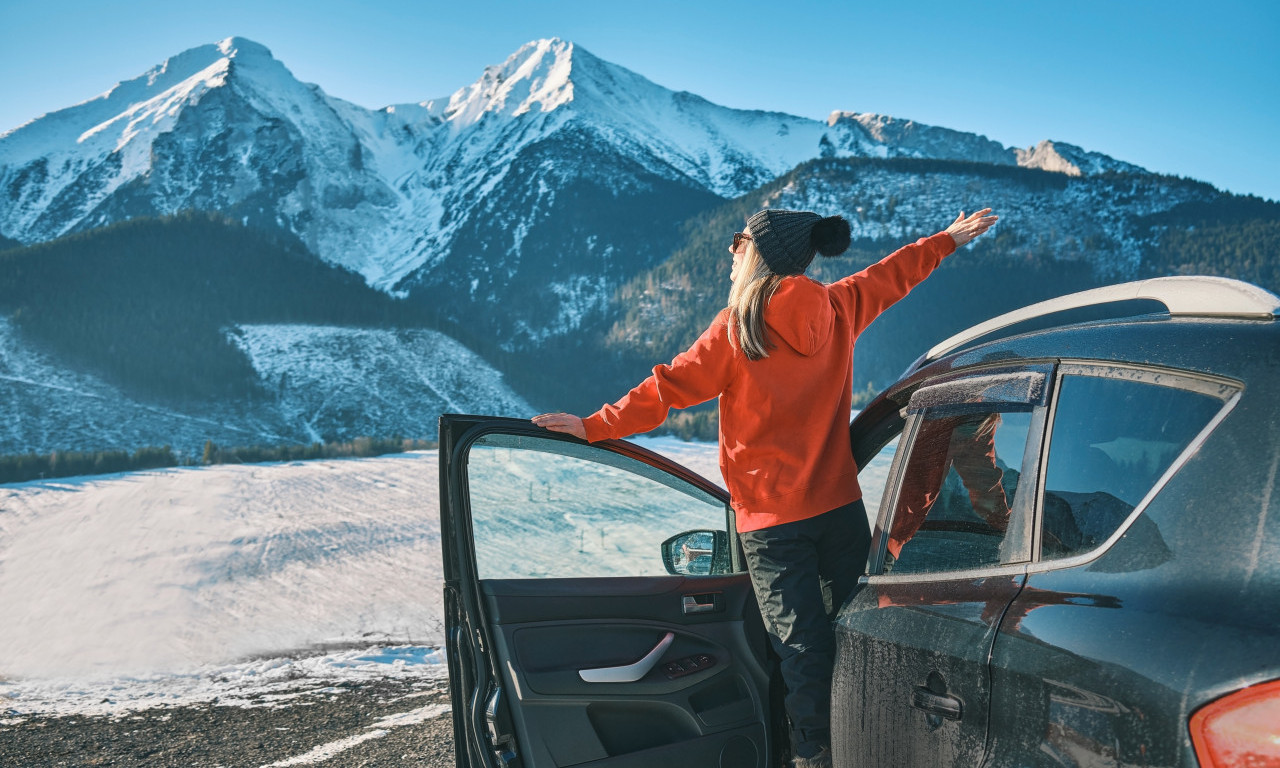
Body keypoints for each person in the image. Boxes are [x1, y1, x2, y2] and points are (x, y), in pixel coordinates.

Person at [533, 206, 998, 768]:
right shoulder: (838, 307)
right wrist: (947, 238)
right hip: (839, 511)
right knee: (855, 635)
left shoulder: (737, 330)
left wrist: (592, 426)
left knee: (801, 650)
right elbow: (894, 274)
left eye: (739, 241)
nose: (731, 251)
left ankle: (814, 757)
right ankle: (878, 742)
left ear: (761, 253)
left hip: (773, 527)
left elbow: (666, 391)